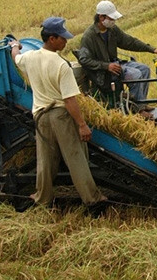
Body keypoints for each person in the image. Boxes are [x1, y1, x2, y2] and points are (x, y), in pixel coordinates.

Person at [9, 17, 107, 209]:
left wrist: (14, 45)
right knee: (75, 157)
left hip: (40, 116)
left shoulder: (29, 58)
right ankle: (92, 199)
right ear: (52, 39)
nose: (65, 41)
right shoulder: (62, 65)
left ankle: (42, 198)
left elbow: (16, 58)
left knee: (44, 160)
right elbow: (70, 100)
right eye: (63, 38)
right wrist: (82, 124)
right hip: (60, 116)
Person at [77, 0, 157, 116]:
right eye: (111, 19)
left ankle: (141, 103)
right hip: (102, 72)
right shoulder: (89, 36)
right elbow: (84, 60)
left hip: (115, 64)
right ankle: (137, 110)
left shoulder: (112, 30)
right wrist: (106, 66)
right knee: (135, 74)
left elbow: (129, 42)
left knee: (145, 69)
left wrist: (153, 49)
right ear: (101, 17)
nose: (114, 21)